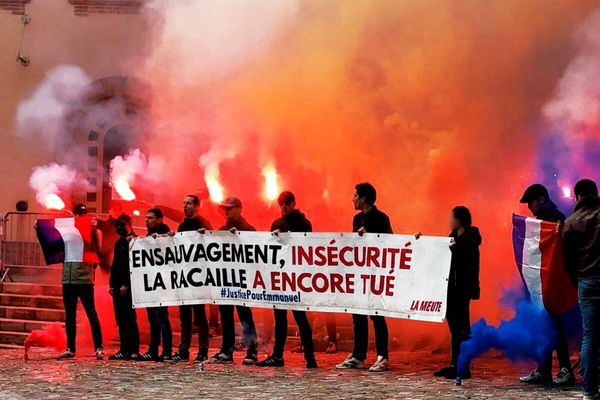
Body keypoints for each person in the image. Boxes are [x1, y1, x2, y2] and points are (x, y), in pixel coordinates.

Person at [518, 184, 574, 385]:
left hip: (552, 283)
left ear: (541, 199)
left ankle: (565, 369)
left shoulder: (555, 219)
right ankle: (544, 369)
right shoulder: (544, 220)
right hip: (542, 284)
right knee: (545, 326)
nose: (528, 207)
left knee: (555, 326)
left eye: (530, 202)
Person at [257, 191, 317, 369]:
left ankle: (309, 356)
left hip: (296, 277)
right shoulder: (276, 223)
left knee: (301, 318)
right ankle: (277, 355)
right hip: (280, 277)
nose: (283, 207)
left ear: (293, 204)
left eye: (287, 203)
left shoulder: (304, 223)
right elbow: (270, 249)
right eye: (281, 204)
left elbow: (308, 246)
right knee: (280, 318)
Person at [337, 182, 392, 372]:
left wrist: (371, 236)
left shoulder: (382, 219)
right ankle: (358, 356)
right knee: (358, 315)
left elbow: (390, 243)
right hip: (359, 276)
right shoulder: (356, 219)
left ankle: (382, 356)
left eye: (355, 195)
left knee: (376, 315)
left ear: (363, 198)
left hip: (375, 276)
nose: (352, 199)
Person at [429, 206, 481, 379]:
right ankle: (455, 363)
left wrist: (452, 248)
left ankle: (463, 366)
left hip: (463, 289)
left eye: (452, 218)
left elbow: (463, 257)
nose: (449, 221)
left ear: (459, 220)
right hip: (451, 288)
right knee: (454, 327)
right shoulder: (452, 238)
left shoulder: (470, 238)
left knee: (462, 327)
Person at [208, 197, 259, 365]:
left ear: (239, 209)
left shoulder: (248, 230)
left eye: (230, 208)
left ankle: (252, 350)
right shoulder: (222, 230)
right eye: (225, 208)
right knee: (226, 315)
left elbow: (256, 253)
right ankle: (226, 350)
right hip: (226, 278)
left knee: (245, 315)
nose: (227, 211)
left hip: (242, 280)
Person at [562, 179, 600, 400]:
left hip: (585, 282)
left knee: (590, 336)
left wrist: (578, 281)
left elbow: (567, 260)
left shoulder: (571, 222)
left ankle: (589, 390)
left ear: (577, 197)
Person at [56, 203, 104, 360]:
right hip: (68, 279)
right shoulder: (67, 233)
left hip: (84, 278)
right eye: (77, 215)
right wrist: (39, 230)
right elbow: (53, 243)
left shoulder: (93, 231)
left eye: (82, 215)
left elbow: (97, 250)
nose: (79, 217)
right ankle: (70, 348)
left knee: (91, 313)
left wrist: (91, 228)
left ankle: (98, 347)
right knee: (69, 315)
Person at [170, 194, 213, 363]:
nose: (185, 206)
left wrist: (206, 235)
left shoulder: (203, 224)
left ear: (197, 206)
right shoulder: (182, 226)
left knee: (200, 315)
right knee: (185, 315)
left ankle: (203, 350)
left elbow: (213, 244)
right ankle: (183, 350)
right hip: (185, 275)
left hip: (199, 276)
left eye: (188, 203)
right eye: (183, 203)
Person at [138, 208, 173, 362]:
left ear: (160, 219)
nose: (147, 221)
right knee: (152, 318)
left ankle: (166, 351)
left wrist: (161, 240)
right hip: (150, 282)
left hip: (162, 282)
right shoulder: (147, 237)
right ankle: (153, 350)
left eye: (150, 218)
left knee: (162, 318)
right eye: (146, 218)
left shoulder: (167, 235)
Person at [108, 213, 140, 360]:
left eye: (122, 225)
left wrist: (126, 284)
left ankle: (134, 349)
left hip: (130, 287)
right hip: (117, 287)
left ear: (129, 224)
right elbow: (115, 265)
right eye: (117, 226)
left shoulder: (135, 241)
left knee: (130, 318)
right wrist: (112, 284)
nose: (119, 229)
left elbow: (133, 265)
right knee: (120, 319)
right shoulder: (118, 243)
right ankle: (124, 348)